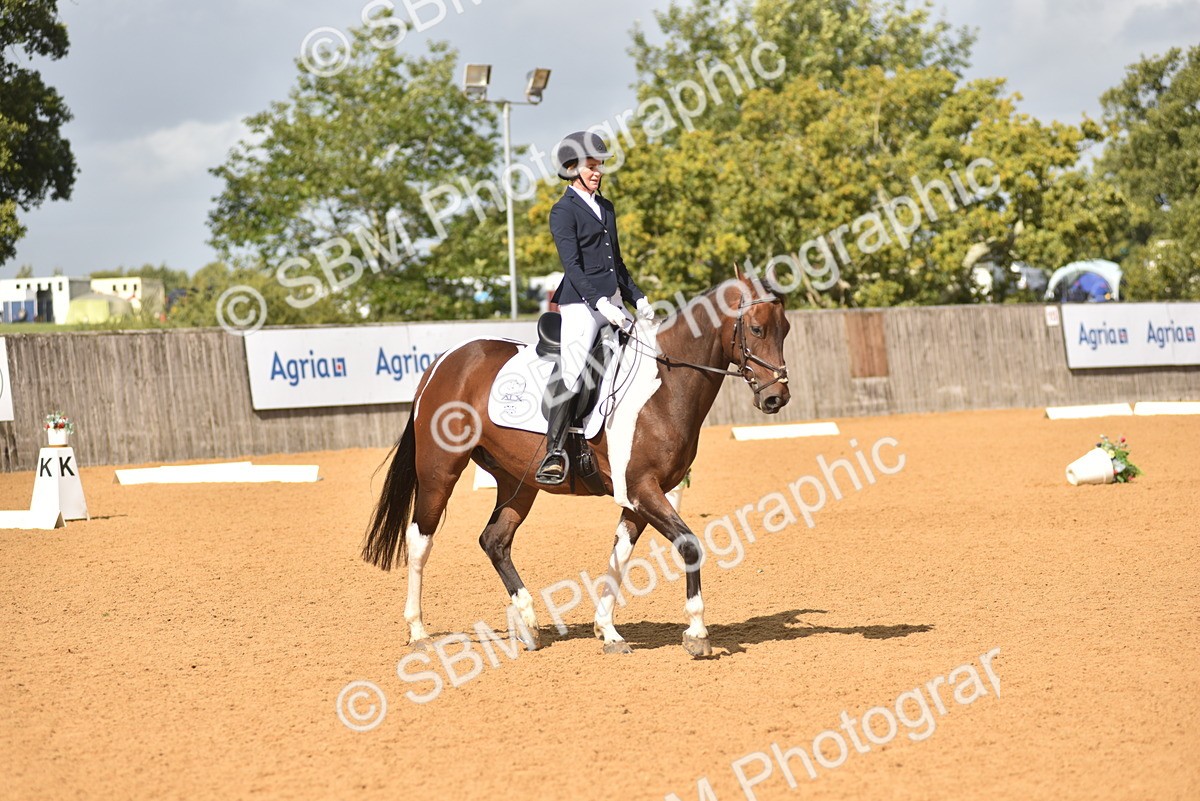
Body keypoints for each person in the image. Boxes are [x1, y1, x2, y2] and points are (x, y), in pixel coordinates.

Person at [535, 131, 654, 485]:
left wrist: (637, 296)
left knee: (645, 357)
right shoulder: (563, 211)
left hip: (614, 302)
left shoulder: (606, 207)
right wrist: (601, 302)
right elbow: (573, 267)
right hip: (580, 305)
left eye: (599, 165)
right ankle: (554, 452)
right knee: (573, 372)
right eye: (591, 165)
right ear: (572, 168)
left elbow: (616, 262)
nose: (597, 170)